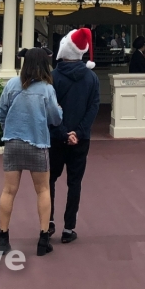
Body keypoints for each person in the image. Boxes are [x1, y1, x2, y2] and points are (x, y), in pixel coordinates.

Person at [0, 48, 63, 257]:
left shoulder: (11, 84)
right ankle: (43, 239)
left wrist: (9, 129)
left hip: (13, 142)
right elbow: (55, 118)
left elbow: (2, 113)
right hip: (38, 143)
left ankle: (3, 238)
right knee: (43, 190)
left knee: (9, 190)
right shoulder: (46, 89)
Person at [49, 28, 100, 244]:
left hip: (56, 137)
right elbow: (93, 107)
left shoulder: (53, 77)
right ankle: (69, 228)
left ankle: (48, 221)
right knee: (75, 182)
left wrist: (63, 133)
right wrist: (78, 132)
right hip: (81, 139)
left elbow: (49, 108)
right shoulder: (92, 77)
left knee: (49, 180)